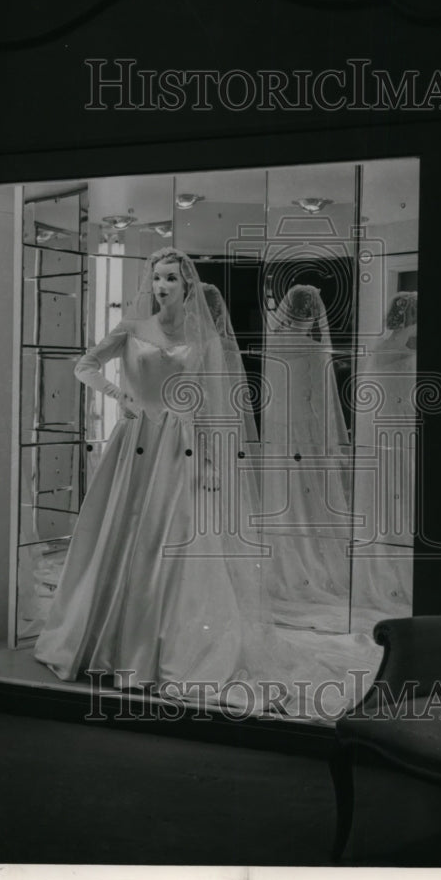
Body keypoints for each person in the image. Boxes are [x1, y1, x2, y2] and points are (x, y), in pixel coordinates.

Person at [35, 250, 381, 720]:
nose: (161, 285)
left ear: (186, 285)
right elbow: (84, 366)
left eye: (171, 278)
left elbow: (209, 406)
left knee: (170, 541)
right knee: (123, 534)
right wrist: (121, 398)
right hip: (135, 440)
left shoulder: (203, 339)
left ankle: (163, 649)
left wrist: (213, 463)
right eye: (156, 277)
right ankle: (110, 640)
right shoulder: (132, 330)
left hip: (181, 446)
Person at [260, 285, 353, 630]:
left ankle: (288, 562)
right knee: (313, 501)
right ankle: (311, 563)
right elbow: (323, 402)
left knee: (285, 498)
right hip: (306, 434)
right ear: (314, 313)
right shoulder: (315, 350)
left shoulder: (273, 345)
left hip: (278, 435)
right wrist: (329, 444)